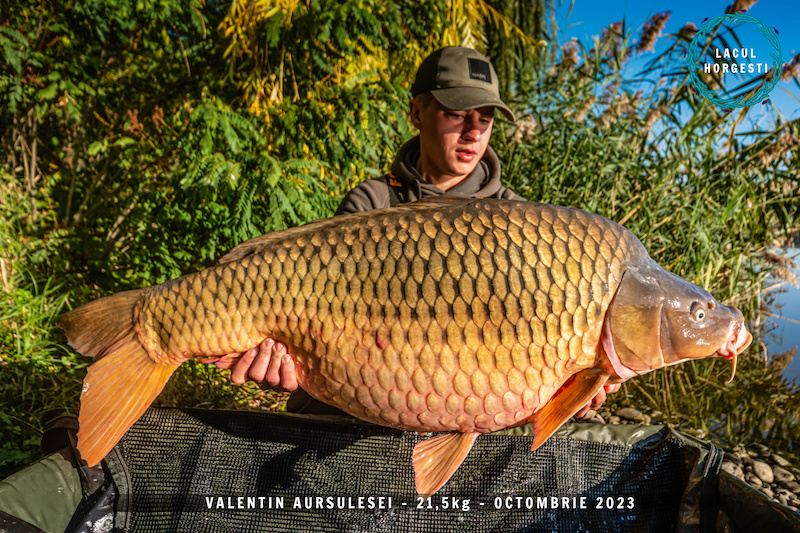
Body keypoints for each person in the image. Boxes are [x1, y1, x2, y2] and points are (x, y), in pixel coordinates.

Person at [213, 46, 618, 417]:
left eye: (486, 117)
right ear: (416, 112)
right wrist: (281, 360)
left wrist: (572, 390)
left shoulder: (519, 222)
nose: (474, 131)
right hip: (353, 409)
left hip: (465, 413)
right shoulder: (373, 202)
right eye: (457, 113)